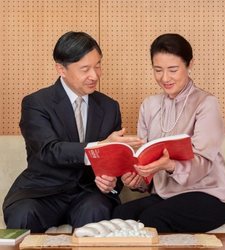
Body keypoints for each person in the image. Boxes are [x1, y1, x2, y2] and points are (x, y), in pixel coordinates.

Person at [2, 31, 142, 233]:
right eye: (85, 69)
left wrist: (109, 180)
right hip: (42, 192)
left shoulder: (109, 107)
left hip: (88, 192)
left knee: (97, 212)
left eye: (98, 66)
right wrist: (99, 147)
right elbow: (49, 150)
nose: (94, 75)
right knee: (23, 215)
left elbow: (114, 162)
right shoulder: (36, 103)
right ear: (61, 69)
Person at [113, 33, 225, 233]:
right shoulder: (149, 105)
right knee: (119, 215)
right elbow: (144, 161)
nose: (165, 78)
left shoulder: (206, 104)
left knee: (151, 218)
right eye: (158, 70)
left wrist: (170, 165)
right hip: (166, 196)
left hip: (209, 196)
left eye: (173, 69)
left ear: (189, 65)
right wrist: (137, 180)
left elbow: (203, 162)